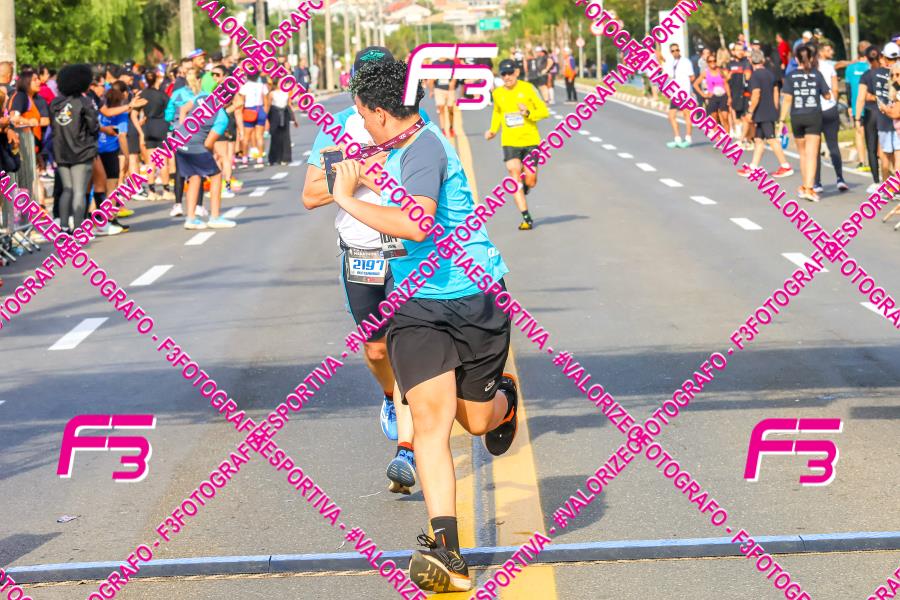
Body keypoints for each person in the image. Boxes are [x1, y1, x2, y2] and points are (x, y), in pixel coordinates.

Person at [334, 57, 516, 593]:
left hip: (475, 295)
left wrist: (345, 197)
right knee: (431, 423)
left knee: (476, 421)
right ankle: (448, 553)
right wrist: (365, 175)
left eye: (361, 115)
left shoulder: (425, 146)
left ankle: (503, 402)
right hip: (415, 305)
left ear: (379, 112)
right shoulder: (397, 146)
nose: (360, 125)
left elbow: (416, 225)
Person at [302, 47, 425, 496]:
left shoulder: (412, 122)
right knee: (376, 350)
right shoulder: (337, 126)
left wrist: (371, 177)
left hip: (407, 251)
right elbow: (311, 195)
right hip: (359, 251)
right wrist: (352, 181)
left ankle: (407, 451)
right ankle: (390, 397)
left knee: (409, 348)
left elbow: (425, 184)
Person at [484, 59, 549, 231]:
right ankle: (526, 218)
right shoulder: (498, 93)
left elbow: (544, 111)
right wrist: (493, 130)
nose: (507, 77)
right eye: (503, 74)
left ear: (517, 72)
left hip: (531, 141)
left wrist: (528, 113)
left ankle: (525, 185)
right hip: (510, 142)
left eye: (510, 73)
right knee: (514, 175)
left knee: (531, 180)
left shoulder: (528, 89)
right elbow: (497, 112)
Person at [176, 86, 236, 230]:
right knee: (216, 175)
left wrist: (184, 130)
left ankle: (191, 218)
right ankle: (215, 217)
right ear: (228, 101)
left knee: (195, 176)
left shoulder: (202, 97)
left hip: (180, 141)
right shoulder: (222, 116)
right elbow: (208, 143)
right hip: (196, 146)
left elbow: (183, 109)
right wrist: (210, 155)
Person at [779, 44, 831, 202]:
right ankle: (809, 188)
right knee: (812, 154)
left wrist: (781, 120)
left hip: (797, 117)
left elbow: (787, 99)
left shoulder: (791, 76)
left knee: (802, 154)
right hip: (813, 116)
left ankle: (804, 185)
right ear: (812, 58)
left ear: (796, 59)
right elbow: (827, 96)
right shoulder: (816, 74)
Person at [50, 64, 98, 235]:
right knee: (79, 191)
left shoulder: (55, 104)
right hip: (82, 151)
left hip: (61, 151)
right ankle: (78, 228)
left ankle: (63, 227)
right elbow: (93, 126)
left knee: (67, 189)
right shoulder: (84, 102)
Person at [737, 49, 793, 178]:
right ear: (762, 60)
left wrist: (750, 111)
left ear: (750, 60)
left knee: (772, 139)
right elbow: (776, 92)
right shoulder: (770, 74)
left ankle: (785, 166)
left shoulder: (755, 76)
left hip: (762, 112)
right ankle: (753, 167)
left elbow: (756, 94)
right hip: (769, 110)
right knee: (758, 140)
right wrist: (776, 108)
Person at [814, 40, 848, 193]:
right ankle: (840, 178)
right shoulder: (829, 67)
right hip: (829, 108)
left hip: (814, 110)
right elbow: (835, 89)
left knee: (815, 147)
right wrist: (833, 102)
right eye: (828, 50)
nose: (831, 53)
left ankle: (817, 182)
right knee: (833, 145)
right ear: (820, 52)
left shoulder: (810, 67)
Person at [137, 69, 173, 201]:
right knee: (163, 161)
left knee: (150, 162)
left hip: (148, 126)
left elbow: (136, 110)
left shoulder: (142, 94)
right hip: (161, 126)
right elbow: (170, 109)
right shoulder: (162, 95)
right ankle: (166, 190)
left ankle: (151, 191)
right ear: (156, 79)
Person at [845, 42, 872, 171]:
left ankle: (862, 162)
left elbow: (848, 88)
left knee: (859, 132)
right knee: (873, 133)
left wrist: (849, 106)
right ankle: (875, 160)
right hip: (872, 105)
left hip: (857, 106)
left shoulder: (850, 68)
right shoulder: (871, 67)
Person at [874, 44, 900, 181]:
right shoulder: (896, 85)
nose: (895, 77)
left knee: (887, 157)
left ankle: (887, 187)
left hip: (886, 122)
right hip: (890, 124)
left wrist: (884, 109)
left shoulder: (873, 74)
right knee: (893, 157)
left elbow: (896, 113)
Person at [663, 43, 694, 148]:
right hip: (675, 93)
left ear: (679, 50)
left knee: (686, 114)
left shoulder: (686, 62)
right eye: (673, 50)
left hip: (684, 93)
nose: (675, 52)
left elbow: (692, 77)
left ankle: (688, 138)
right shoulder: (671, 62)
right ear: (670, 52)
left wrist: (688, 89)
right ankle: (677, 138)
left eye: (677, 50)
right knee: (671, 116)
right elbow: (669, 76)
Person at [694, 52, 730, 130]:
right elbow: (695, 84)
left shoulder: (720, 71)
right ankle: (718, 135)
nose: (712, 63)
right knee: (714, 117)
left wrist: (729, 97)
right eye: (710, 61)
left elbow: (726, 84)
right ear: (707, 63)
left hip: (723, 96)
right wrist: (703, 95)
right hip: (712, 96)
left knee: (725, 117)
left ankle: (727, 135)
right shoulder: (705, 73)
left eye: (714, 61)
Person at [239, 72, 269, 167]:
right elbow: (266, 100)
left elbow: (242, 101)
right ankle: (260, 158)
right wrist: (265, 112)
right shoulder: (262, 85)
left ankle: (244, 158)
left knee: (246, 137)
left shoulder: (245, 86)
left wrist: (241, 113)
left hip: (249, 110)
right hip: (259, 109)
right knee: (259, 136)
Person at [267, 77, 297, 166]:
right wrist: (266, 119)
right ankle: (274, 158)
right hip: (274, 114)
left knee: (285, 136)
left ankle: (285, 158)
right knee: (275, 136)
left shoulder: (287, 92)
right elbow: (268, 106)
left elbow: (289, 105)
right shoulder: (272, 93)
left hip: (285, 113)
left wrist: (294, 119)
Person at [726, 44, 752, 145]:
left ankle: (745, 138)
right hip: (734, 92)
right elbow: (726, 79)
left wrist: (738, 71)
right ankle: (741, 134)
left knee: (745, 116)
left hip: (745, 93)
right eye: (737, 50)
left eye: (741, 50)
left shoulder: (746, 62)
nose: (740, 52)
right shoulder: (730, 64)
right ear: (733, 52)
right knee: (736, 114)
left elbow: (748, 76)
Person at [430, 55, 457, 138]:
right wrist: (431, 90)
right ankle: (443, 129)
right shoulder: (434, 63)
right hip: (439, 89)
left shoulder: (451, 62)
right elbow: (431, 78)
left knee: (450, 108)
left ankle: (451, 127)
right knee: (441, 108)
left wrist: (453, 82)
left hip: (450, 90)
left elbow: (455, 74)